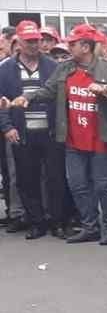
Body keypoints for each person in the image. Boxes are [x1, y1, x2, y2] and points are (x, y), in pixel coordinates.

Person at [11, 24, 107, 245]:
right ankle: (90, 226)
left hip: (101, 138)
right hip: (73, 139)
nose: (68, 47)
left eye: (72, 44)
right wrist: (29, 97)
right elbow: (49, 90)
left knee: (103, 186)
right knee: (77, 185)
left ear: (86, 46)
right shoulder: (64, 68)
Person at [0, 21, 60, 239]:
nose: (34, 45)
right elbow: (1, 102)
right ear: (18, 42)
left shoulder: (52, 65)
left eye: (37, 40)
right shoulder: (5, 68)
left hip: (50, 132)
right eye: (29, 41)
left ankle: (57, 221)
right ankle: (36, 222)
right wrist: (7, 127)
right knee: (27, 180)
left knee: (55, 179)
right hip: (22, 132)